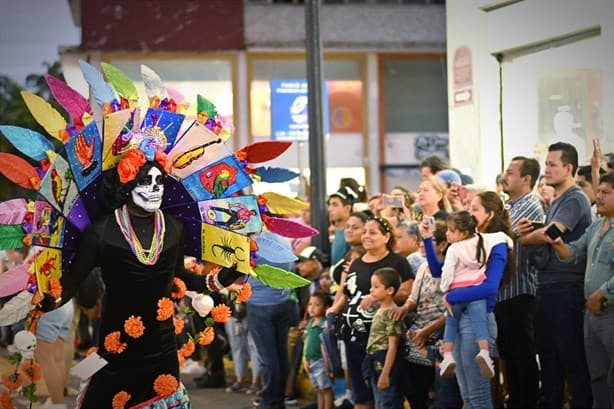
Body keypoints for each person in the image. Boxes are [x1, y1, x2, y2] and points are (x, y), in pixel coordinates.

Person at [51, 144, 242, 408]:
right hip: (115, 340)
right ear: (127, 183)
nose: (155, 188)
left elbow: (182, 277)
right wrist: (44, 300)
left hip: (160, 344)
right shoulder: (101, 232)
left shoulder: (174, 228)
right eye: (146, 180)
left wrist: (225, 277)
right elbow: (72, 283)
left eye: (159, 181)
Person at [519, 142, 593, 408]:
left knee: (571, 360)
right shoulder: (556, 200)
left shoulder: (574, 197)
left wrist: (526, 238)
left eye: (552, 165)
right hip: (548, 288)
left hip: (566, 288)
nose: (546, 170)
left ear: (569, 168)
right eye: (546, 164)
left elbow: (553, 233)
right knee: (549, 361)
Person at [422, 196, 510, 409]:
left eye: (475, 209)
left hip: (477, 319)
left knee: (478, 394)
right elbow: (437, 271)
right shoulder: (462, 245)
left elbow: (490, 287)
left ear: (489, 214)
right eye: (469, 208)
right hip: (458, 318)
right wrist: (426, 239)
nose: (470, 213)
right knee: (467, 394)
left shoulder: (496, 242)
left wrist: (451, 296)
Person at [328, 216, 413, 409]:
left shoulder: (397, 262)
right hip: (353, 337)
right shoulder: (357, 263)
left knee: (385, 394)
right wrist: (334, 309)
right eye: (364, 231)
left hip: (381, 341)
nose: (366, 236)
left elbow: (406, 293)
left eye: (372, 232)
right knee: (360, 394)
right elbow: (347, 293)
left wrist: (376, 298)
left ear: (386, 237)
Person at [547, 171, 614, 409]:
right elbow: (573, 253)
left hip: (609, 310)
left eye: (606, 193)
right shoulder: (597, 227)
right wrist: (558, 244)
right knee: (596, 374)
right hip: (592, 313)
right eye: (599, 192)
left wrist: (604, 293)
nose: (599, 197)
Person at [438, 211, 513, 380]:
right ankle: (485, 353)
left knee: (451, 324)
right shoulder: (482, 241)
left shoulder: (454, 248)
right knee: (480, 324)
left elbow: (447, 270)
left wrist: (445, 292)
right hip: (476, 291)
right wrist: (510, 243)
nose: (447, 233)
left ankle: (447, 356)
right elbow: (501, 237)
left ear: (463, 233)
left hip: (457, 292)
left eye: (451, 230)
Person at [498, 156, 544, 408]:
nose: (505, 176)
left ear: (526, 179)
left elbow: (500, 238)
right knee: (510, 357)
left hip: (519, 292)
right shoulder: (510, 206)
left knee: (522, 357)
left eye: (511, 172)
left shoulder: (530, 205)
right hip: (504, 293)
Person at [246, 255, 296, 409]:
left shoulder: (254, 245)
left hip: (259, 304)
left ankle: (270, 400)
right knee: (281, 355)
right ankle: (278, 399)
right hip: (283, 303)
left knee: (268, 357)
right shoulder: (283, 241)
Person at [364, 268, 406, 409]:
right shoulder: (380, 310)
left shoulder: (392, 313)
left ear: (389, 290)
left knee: (388, 401)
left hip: (385, 361)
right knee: (380, 402)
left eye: (376, 287)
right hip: (375, 359)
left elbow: (393, 346)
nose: (371, 290)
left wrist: (385, 373)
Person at [34, 300, 75, 409]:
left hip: (49, 306)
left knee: (45, 358)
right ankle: (56, 401)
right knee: (57, 357)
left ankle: (57, 404)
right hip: (66, 304)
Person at [303, 290, 334, 409]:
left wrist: (328, 365)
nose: (312, 308)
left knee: (326, 389)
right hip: (311, 360)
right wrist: (305, 358)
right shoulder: (310, 323)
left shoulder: (325, 325)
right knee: (318, 389)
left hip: (321, 361)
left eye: (317, 305)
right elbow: (307, 342)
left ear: (326, 308)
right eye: (310, 304)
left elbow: (327, 346)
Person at [328, 187, 358, 265]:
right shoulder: (336, 231)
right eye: (329, 205)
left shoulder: (352, 233)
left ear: (347, 208)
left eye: (335, 205)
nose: (330, 209)